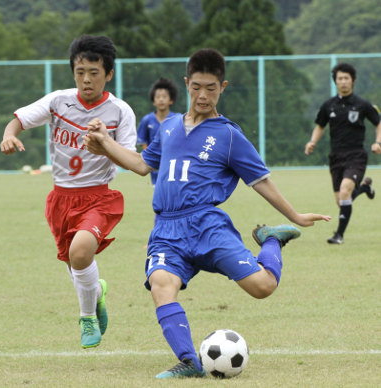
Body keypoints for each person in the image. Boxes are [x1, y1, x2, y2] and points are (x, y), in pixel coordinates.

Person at [84, 48, 330, 379]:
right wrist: (104, 142)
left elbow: (261, 181)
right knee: (161, 283)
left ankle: (271, 240)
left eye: (211, 88)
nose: (203, 95)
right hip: (166, 229)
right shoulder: (168, 126)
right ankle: (189, 361)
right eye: (197, 86)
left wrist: (297, 215)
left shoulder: (228, 135)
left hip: (206, 225)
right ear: (186, 83)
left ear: (223, 87)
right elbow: (142, 165)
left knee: (263, 287)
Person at [0, 35, 136, 349]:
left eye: (94, 72)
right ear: (73, 71)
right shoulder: (59, 101)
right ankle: (97, 293)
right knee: (77, 263)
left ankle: (86, 317)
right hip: (61, 199)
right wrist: (9, 136)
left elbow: (130, 159)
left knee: (80, 252)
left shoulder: (120, 112)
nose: (86, 79)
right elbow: (18, 121)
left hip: (99, 198)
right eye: (80, 72)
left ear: (109, 74)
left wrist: (104, 147)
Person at [305, 62, 381, 244]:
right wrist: (312, 142)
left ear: (353, 81)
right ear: (335, 81)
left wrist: (378, 142)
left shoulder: (362, 104)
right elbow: (320, 126)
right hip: (336, 157)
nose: (343, 82)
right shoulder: (328, 105)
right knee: (341, 201)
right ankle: (364, 188)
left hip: (356, 155)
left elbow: (379, 123)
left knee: (346, 191)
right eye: (340, 78)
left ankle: (338, 235)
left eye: (346, 78)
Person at [137, 77, 178, 186]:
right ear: (153, 101)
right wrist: (151, 157)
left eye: (164, 97)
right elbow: (143, 141)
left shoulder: (176, 119)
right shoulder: (147, 120)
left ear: (171, 100)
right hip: (155, 166)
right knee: (158, 192)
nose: (161, 99)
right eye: (158, 97)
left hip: (172, 164)